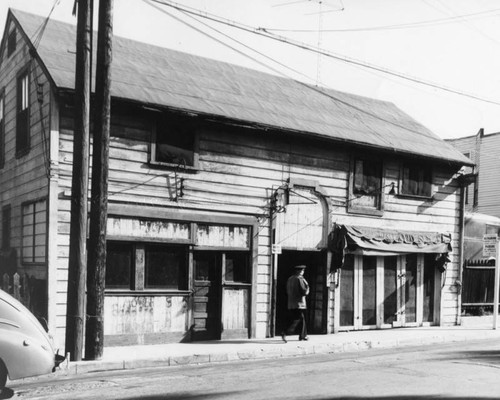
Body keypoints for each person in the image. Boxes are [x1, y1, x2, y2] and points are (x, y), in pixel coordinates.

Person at [281, 264, 309, 343]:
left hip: (291, 302)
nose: (303, 272)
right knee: (298, 319)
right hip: (299, 303)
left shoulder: (290, 279)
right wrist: (307, 290)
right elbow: (304, 291)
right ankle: (286, 332)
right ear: (300, 271)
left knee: (298, 318)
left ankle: (302, 335)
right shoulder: (300, 279)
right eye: (302, 270)